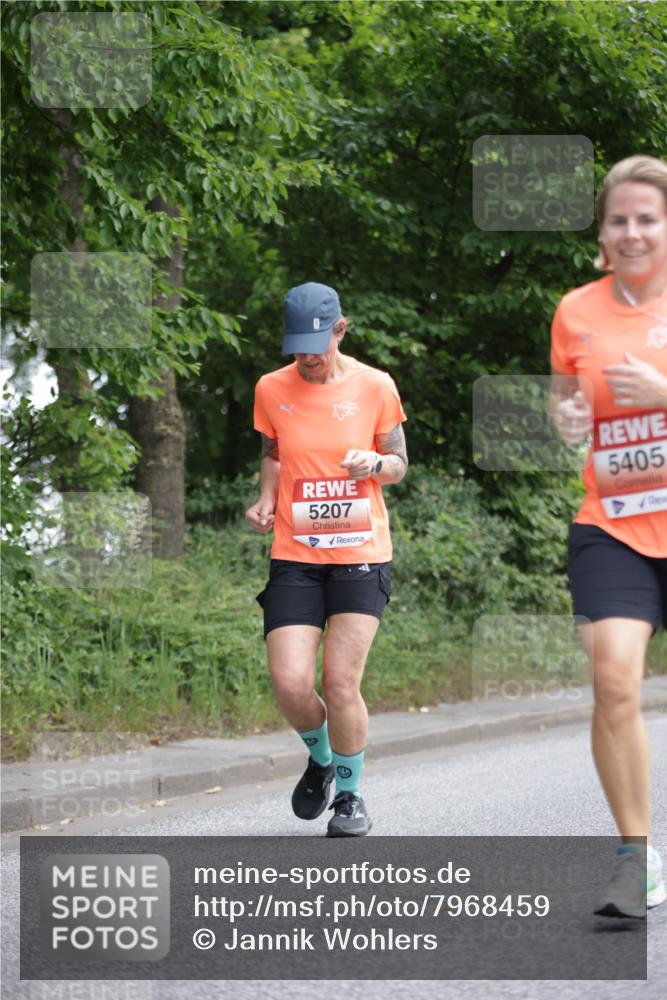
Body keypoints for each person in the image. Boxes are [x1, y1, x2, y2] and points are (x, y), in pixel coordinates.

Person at [245, 281, 408, 836]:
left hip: (361, 554)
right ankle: (321, 759)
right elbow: (273, 452)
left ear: (340, 329)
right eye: (297, 346)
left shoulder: (375, 386)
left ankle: (351, 796)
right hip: (295, 553)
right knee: (291, 683)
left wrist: (375, 464)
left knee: (340, 682)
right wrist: (267, 497)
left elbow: (400, 463)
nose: (307, 356)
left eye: (317, 342)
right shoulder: (272, 388)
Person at [550, 155, 667, 918]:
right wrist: (563, 419)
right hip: (613, 524)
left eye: (646, 218)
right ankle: (637, 857)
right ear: (600, 233)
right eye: (617, 219)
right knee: (614, 679)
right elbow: (565, 398)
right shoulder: (575, 310)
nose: (631, 232)